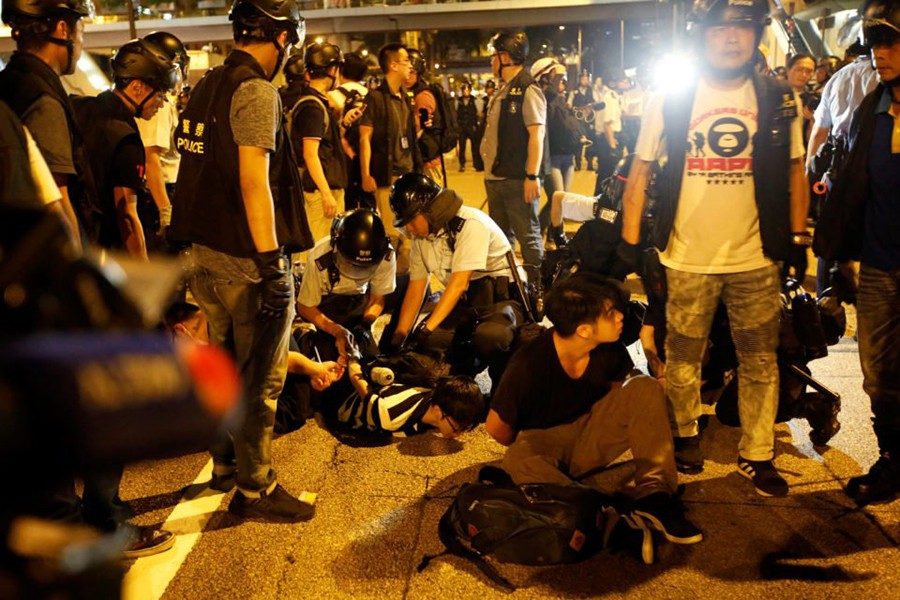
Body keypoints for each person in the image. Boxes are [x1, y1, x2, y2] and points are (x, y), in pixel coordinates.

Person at [620, 0, 809, 497]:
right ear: (702, 36)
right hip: (686, 258)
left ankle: (757, 453)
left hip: (755, 258)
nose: (732, 37)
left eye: (743, 28)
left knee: (760, 359)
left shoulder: (777, 96)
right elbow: (639, 171)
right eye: (722, 28)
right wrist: (630, 244)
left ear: (756, 35)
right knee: (682, 357)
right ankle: (684, 434)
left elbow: (795, 170)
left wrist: (797, 239)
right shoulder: (674, 96)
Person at [169, 0, 316, 523]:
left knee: (223, 367)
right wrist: (273, 264)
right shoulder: (256, 91)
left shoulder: (206, 84)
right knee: (260, 380)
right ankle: (256, 488)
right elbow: (255, 182)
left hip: (203, 258)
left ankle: (225, 461)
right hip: (246, 262)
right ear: (280, 39)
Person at [485, 273, 703, 546]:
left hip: (591, 431)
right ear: (584, 330)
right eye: (611, 313)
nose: (621, 317)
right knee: (518, 459)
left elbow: (624, 388)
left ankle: (654, 496)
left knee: (644, 387)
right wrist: (537, 441)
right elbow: (497, 428)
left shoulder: (607, 348)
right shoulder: (529, 364)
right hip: (545, 441)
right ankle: (601, 512)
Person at [813, 1, 900, 505]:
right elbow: (854, 187)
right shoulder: (875, 106)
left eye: (890, 42)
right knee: (878, 375)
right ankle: (892, 460)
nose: (877, 53)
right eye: (873, 42)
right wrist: (843, 254)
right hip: (881, 265)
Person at [387, 172, 524, 389]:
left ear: (430, 209)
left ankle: (503, 382)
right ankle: (465, 370)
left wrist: (424, 330)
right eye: (404, 225)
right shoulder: (422, 239)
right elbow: (416, 289)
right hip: (467, 302)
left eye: (412, 221)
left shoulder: (470, 224)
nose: (409, 230)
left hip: (502, 300)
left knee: (490, 337)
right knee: (432, 343)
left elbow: (459, 283)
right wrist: (400, 338)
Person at [73, 38, 179, 261]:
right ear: (137, 87)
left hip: (71, 237)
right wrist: (143, 270)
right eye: (159, 95)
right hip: (102, 250)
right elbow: (127, 217)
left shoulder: (83, 108)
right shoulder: (126, 139)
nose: (160, 105)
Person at [0, 0, 93, 246]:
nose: (82, 44)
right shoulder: (44, 100)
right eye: (81, 33)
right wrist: (76, 262)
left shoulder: (10, 81)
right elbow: (57, 201)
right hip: (37, 249)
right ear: (63, 29)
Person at [481, 30, 549, 287]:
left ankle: (537, 287)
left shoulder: (528, 88)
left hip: (518, 179)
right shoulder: (504, 88)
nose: (491, 62)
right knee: (500, 238)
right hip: (496, 178)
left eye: (494, 56)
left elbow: (536, 135)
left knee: (528, 236)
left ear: (506, 57)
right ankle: (510, 284)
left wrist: (532, 175)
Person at [297, 207, 396, 365]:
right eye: (351, 265)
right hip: (326, 312)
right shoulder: (320, 257)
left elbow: (377, 299)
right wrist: (336, 330)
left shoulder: (385, 255)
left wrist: (364, 326)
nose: (357, 272)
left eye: (365, 267)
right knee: (329, 366)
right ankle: (305, 338)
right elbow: (304, 307)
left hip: (360, 308)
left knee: (372, 362)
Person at [359, 43, 423, 274]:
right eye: (406, 61)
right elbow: (364, 138)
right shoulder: (376, 98)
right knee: (392, 234)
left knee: (410, 235)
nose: (410, 66)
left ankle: (404, 286)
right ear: (393, 65)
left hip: (408, 176)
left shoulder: (405, 97)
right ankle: (389, 290)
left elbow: (409, 138)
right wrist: (366, 174)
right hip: (387, 176)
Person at [286, 42, 348, 245]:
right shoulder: (312, 107)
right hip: (320, 193)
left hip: (325, 190)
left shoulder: (318, 103)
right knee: (320, 254)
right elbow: (310, 154)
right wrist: (326, 193)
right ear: (332, 70)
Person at [136, 31, 188, 253]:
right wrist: (165, 209)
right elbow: (151, 157)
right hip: (160, 192)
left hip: (159, 192)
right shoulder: (159, 103)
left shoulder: (154, 99)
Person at [328, 363, 483, 438]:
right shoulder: (391, 415)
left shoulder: (433, 394)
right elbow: (357, 378)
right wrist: (353, 358)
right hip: (339, 400)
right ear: (437, 411)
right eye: (457, 428)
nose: (460, 434)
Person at [531, 57, 579, 249]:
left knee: (560, 200)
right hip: (552, 159)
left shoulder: (560, 99)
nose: (562, 81)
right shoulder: (540, 100)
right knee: (555, 198)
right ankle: (543, 235)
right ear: (545, 78)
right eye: (556, 77)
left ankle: (549, 235)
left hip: (568, 156)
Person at [328, 51, 370, 210]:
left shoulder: (332, 97)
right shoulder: (370, 96)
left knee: (347, 207)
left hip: (343, 163)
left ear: (340, 71)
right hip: (367, 160)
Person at [405, 48, 446, 186]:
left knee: (433, 202)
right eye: (407, 70)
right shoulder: (407, 94)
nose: (407, 75)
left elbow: (418, 127)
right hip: (421, 158)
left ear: (418, 73)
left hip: (428, 159)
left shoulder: (423, 96)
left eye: (412, 72)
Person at [456, 81, 478, 173]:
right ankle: (462, 164)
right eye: (464, 90)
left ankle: (476, 164)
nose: (466, 92)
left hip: (471, 126)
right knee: (462, 147)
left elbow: (478, 113)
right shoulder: (458, 101)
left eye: (467, 90)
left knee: (474, 146)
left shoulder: (475, 100)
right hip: (462, 126)